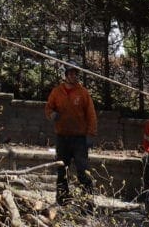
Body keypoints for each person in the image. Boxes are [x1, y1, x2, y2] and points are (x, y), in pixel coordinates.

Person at [45, 64, 98, 206]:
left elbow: (91, 114)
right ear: (66, 75)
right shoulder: (57, 92)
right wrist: (52, 114)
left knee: (83, 171)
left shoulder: (83, 93)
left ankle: (87, 204)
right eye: (71, 73)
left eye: (76, 74)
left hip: (79, 138)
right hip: (62, 137)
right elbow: (48, 107)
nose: (74, 76)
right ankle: (63, 200)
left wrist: (90, 134)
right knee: (62, 169)